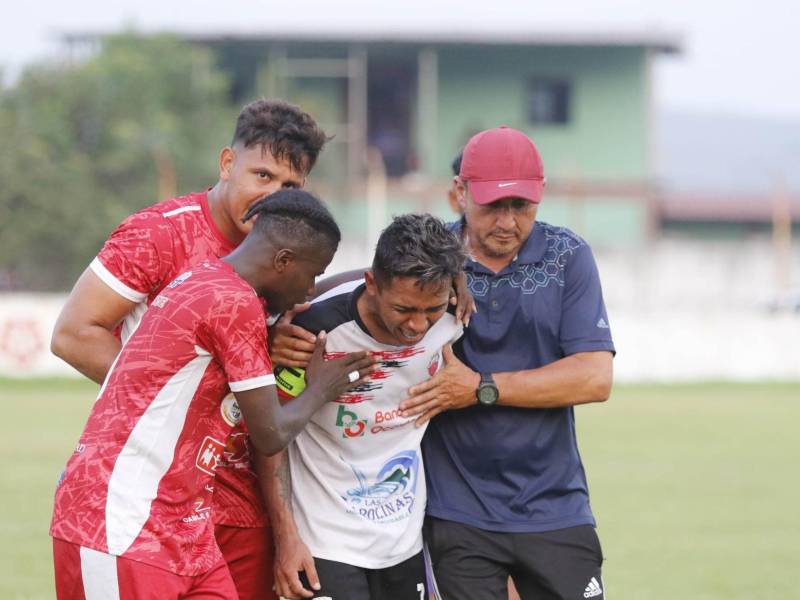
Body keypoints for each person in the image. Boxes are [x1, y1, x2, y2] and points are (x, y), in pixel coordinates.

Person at [50, 98, 328, 600]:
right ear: (227, 163)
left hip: (240, 500)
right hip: (143, 493)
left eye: (290, 187)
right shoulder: (159, 233)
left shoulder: (287, 262)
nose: (272, 197)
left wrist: (452, 271)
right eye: (262, 175)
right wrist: (188, 397)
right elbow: (74, 333)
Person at [397, 126, 615, 600]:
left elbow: (594, 377)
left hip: (555, 506)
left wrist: (481, 387)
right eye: (493, 205)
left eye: (522, 206)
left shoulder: (568, 257)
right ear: (460, 192)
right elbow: (371, 294)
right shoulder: (429, 257)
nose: (507, 221)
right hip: (457, 511)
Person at [260, 214, 466, 600]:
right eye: (404, 309)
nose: (418, 325)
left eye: (432, 310)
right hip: (324, 545)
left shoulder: (455, 317)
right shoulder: (312, 334)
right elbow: (269, 436)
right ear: (371, 283)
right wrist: (286, 538)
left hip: (404, 544)